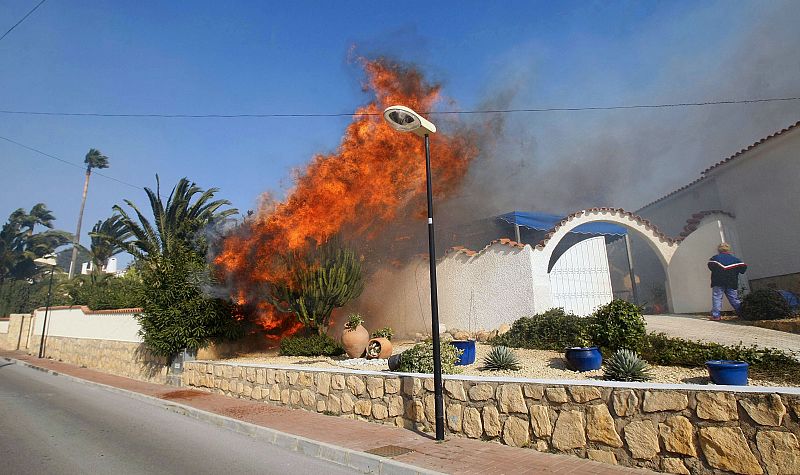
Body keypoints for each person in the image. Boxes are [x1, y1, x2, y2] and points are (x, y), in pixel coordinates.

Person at [707, 243, 747, 321]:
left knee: (717, 298)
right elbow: (743, 269)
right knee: (734, 299)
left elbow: (711, 267)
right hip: (732, 282)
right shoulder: (736, 260)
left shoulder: (714, 259)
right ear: (729, 250)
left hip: (718, 281)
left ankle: (716, 316)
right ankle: (742, 314)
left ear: (719, 250)